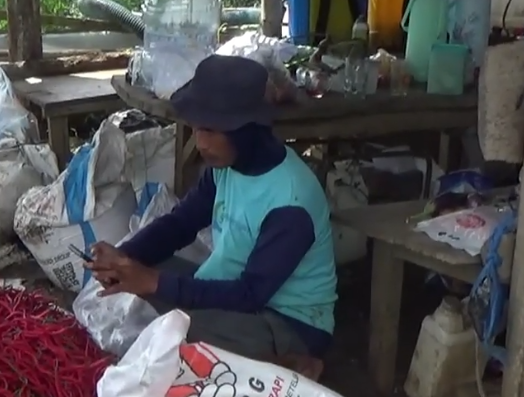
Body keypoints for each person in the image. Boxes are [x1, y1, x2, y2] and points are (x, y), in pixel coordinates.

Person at [86, 54, 337, 379]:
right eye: (196, 128)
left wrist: (152, 282)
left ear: (250, 128)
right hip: (234, 292)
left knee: (179, 329)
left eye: (212, 130)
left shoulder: (291, 201)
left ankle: (293, 361)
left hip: (288, 321)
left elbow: (250, 294)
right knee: (148, 281)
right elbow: (180, 224)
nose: (200, 143)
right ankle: (256, 360)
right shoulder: (227, 167)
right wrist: (125, 258)